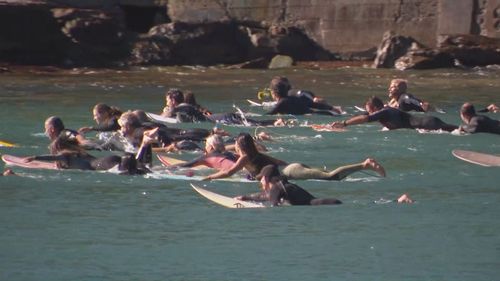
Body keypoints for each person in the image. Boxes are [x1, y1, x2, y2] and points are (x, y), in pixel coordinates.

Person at [203, 133, 385, 181]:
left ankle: (365, 164)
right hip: (291, 168)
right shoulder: (253, 154)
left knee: (331, 177)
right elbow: (278, 161)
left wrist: (209, 177)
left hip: (291, 172)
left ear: (240, 145)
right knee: (327, 174)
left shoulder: (244, 158)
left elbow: (229, 172)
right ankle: (364, 165)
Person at [24, 132, 149, 174]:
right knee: (130, 166)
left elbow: (53, 157)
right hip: (108, 159)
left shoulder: (66, 155)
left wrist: (35, 157)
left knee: (126, 171)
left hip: (100, 166)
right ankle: (143, 168)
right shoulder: (79, 151)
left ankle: (135, 163)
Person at [331, 96, 458, 132]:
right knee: (460, 130)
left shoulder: (385, 112)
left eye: (369, 110)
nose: (368, 113)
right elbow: (363, 115)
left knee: (460, 131)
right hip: (428, 123)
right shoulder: (385, 111)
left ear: (375, 108)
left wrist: (344, 123)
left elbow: (365, 118)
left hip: (427, 125)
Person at [235, 164, 342, 206]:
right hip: (330, 202)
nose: (260, 182)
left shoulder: (276, 188)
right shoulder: (282, 185)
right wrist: (245, 197)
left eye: (261, 178)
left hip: (325, 204)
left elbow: (273, 205)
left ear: (266, 178)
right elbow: (264, 196)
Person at [265, 76, 342, 116]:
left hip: (310, 116)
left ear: (274, 93)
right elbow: (313, 104)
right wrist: (332, 108)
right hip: (321, 113)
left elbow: (269, 114)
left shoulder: (282, 103)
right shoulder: (295, 98)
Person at [169, 134, 238, 170]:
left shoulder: (207, 157)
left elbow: (186, 165)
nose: (205, 148)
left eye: (206, 145)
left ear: (211, 147)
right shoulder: (231, 154)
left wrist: (167, 168)